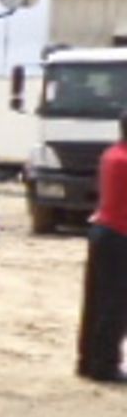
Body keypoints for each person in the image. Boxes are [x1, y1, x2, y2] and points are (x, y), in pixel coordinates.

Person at [77, 110, 127, 382]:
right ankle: (105, 364)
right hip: (119, 234)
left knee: (96, 300)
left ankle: (88, 361)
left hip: (103, 230)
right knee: (115, 304)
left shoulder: (112, 154)